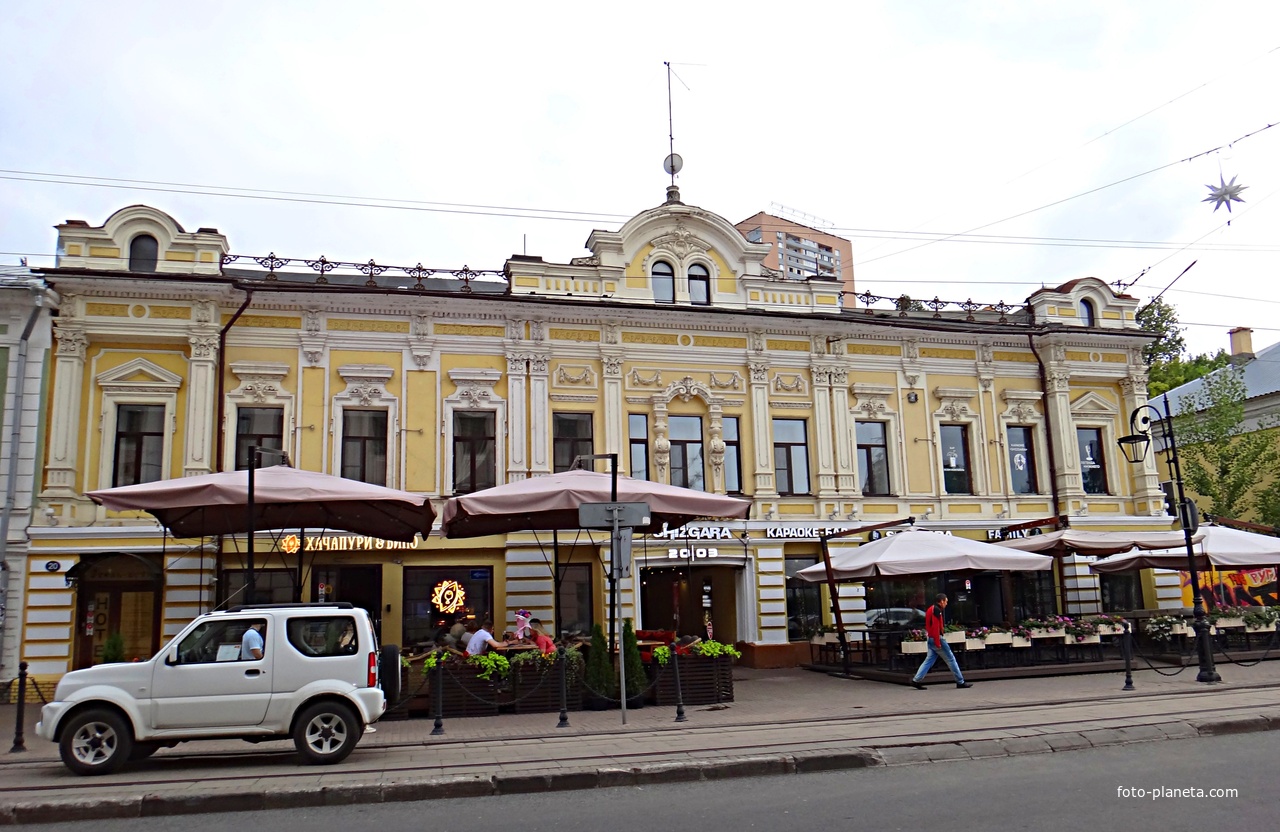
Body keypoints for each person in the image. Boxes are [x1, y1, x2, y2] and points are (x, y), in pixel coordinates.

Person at [909, 593, 971, 690]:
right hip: (936, 638)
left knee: (929, 660)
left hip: (931, 638)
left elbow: (930, 625)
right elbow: (936, 627)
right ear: (941, 601)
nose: (946, 603)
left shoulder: (931, 609)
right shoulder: (937, 610)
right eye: (945, 601)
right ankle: (960, 681)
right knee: (951, 659)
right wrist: (938, 642)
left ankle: (916, 680)